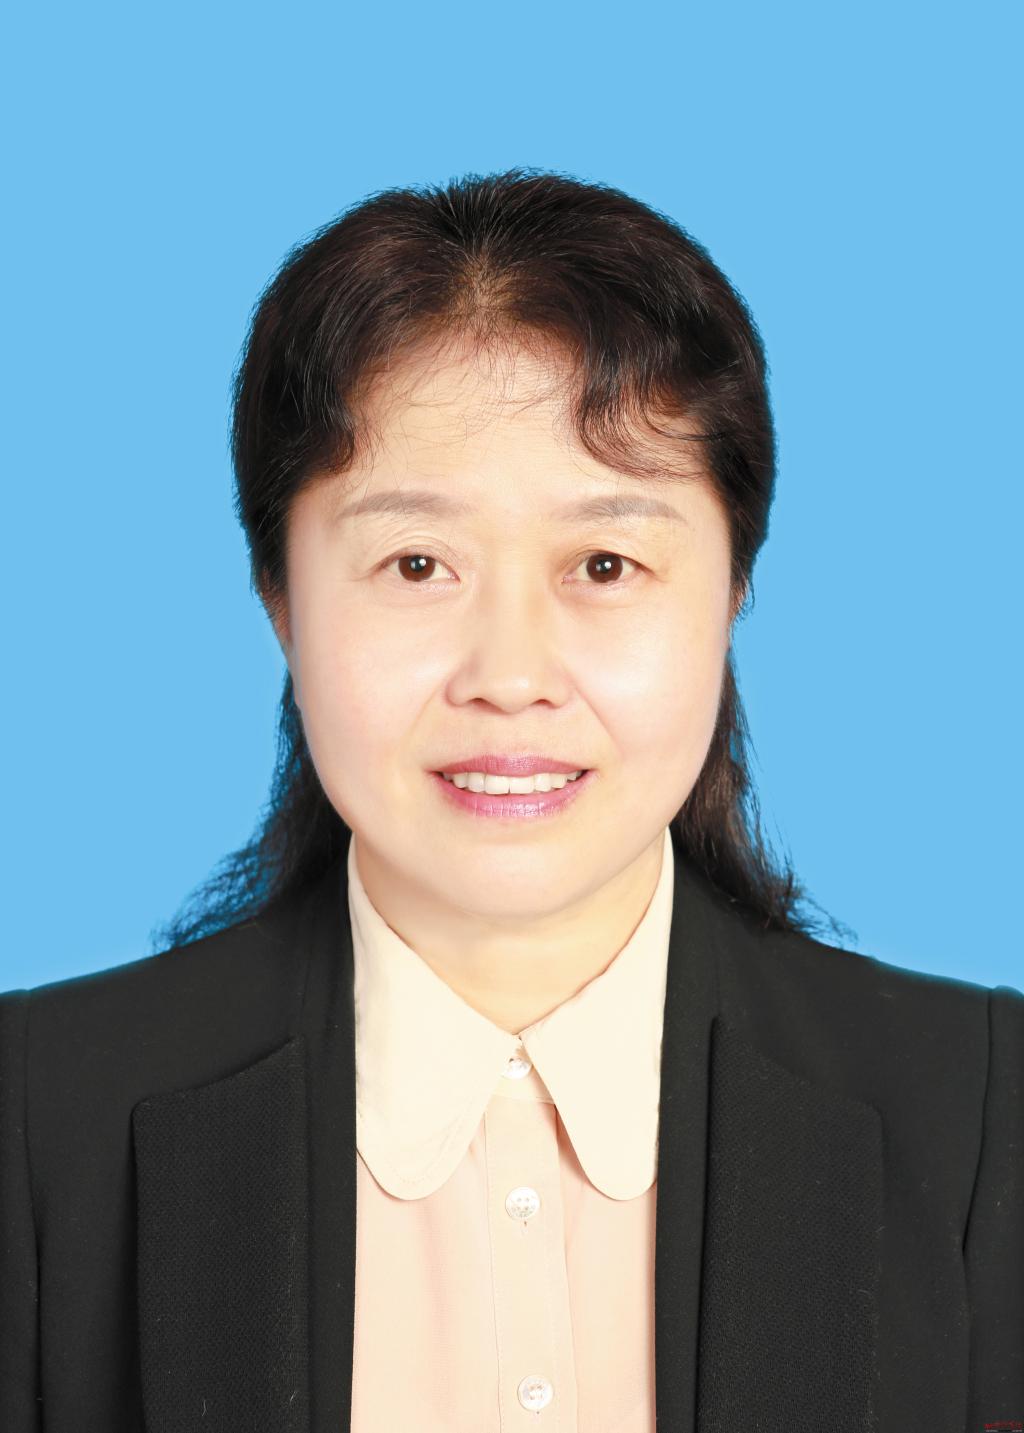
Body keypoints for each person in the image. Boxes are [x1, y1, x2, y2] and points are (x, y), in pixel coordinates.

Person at [1, 168, 1020, 1431]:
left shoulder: (981, 1118)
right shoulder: (42, 1125)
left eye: (605, 561)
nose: (511, 674)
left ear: (731, 590)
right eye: (416, 563)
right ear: (279, 599)